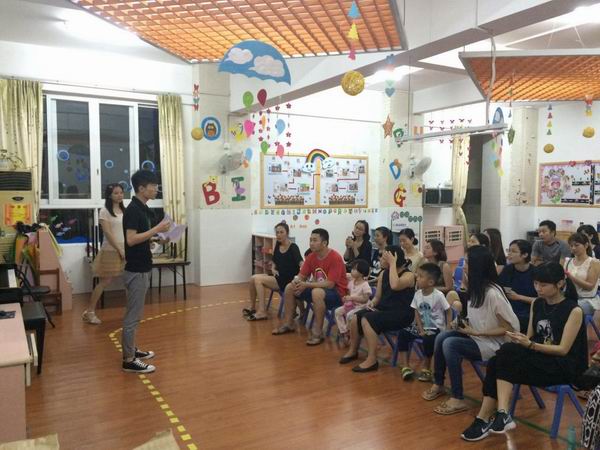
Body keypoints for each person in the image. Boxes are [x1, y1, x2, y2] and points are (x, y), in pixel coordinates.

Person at [460, 263, 587, 441]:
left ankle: (488, 417)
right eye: (536, 284)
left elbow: (563, 349)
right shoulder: (537, 303)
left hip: (562, 366)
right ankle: (497, 414)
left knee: (503, 356)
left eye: (543, 285)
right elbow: (529, 337)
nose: (538, 288)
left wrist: (529, 345)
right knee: (500, 357)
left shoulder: (573, 310)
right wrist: (520, 339)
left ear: (559, 284)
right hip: (540, 359)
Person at [422, 246, 519, 415]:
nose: (463, 266)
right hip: (478, 338)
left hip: (495, 344)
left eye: (467, 262)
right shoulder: (476, 289)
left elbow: (508, 329)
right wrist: (459, 323)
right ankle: (438, 383)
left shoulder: (492, 293)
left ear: (478, 266)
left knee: (451, 344)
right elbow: (479, 318)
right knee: (442, 337)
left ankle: (457, 397)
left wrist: (477, 333)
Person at [121, 170, 170, 374]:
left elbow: (141, 237)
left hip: (142, 266)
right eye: (153, 186)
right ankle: (128, 360)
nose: (156, 189)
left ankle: (132, 350)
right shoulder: (133, 210)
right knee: (132, 316)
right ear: (141, 188)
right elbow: (131, 240)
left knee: (136, 313)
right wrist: (157, 229)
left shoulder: (142, 208)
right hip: (136, 269)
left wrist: (157, 238)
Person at [339, 245, 416, 373]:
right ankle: (353, 351)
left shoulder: (409, 275)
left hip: (401, 314)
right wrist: (372, 303)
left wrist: (392, 264)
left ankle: (372, 359)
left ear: (393, 259)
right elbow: (378, 297)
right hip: (384, 310)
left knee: (367, 319)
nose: (380, 260)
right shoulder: (383, 273)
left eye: (383, 257)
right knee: (356, 317)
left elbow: (395, 285)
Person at [272, 228, 348, 346]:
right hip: (318, 290)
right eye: (310, 240)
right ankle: (288, 324)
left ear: (324, 243)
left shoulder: (335, 257)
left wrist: (307, 284)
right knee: (289, 288)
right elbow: (301, 276)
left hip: (337, 294)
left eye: (315, 240)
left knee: (316, 292)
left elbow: (330, 284)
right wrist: (296, 282)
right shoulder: (311, 257)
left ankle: (318, 332)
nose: (311, 243)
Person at [395, 263, 452, 382]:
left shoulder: (439, 295)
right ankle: (405, 366)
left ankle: (426, 368)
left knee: (428, 339)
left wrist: (447, 328)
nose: (417, 278)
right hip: (421, 327)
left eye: (421, 276)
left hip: (435, 328)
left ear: (430, 282)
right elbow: (416, 312)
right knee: (403, 333)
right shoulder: (417, 294)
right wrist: (420, 329)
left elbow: (448, 310)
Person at [83, 184, 126, 325]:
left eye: (121, 192)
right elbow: (108, 233)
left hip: (126, 248)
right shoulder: (104, 211)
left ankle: (131, 312)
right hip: (111, 250)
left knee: (130, 280)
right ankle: (90, 312)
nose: (119, 195)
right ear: (109, 195)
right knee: (105, 281)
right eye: (116, 193)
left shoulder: (125, 210)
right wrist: (119, 249)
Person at [244, 222, 302, 321]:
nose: (279, 235)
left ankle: (262, 311)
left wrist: (300, 277)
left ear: (287, 233)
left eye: (281, 232)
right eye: (277, 232)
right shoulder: (278, 245)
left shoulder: (293, 247)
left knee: (258, 280)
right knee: (252, 278)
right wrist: (273, 269)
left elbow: (301, 263)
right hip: (278, 277)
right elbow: (274, 261)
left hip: (287, 280)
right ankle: (253, 307)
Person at [497, 240, 538, 333]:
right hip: (508, 311)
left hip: (528, 313)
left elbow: (541, 300)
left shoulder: (536, 273)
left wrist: (518, 297)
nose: (509, 254)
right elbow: (500, 288)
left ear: (525, 254)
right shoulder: (507, 270)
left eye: (513, 251)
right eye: (509, 250)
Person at [334, 259, 372, 345]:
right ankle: (344, 331)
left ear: (361, 273)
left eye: (354, 269)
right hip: (352, 305)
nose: (352, 270)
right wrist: (346, 298)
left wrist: (351, 298)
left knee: (349, 315)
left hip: (362, 307)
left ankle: (348, 332)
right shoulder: (351, 282)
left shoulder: (365, 284)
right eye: (352, 268)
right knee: (337, 312)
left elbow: (365, 299)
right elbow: (349, 293)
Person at [564, 232, 600, 316]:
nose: (573, 248)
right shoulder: (568, 261)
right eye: (571, 246)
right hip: (569, 297)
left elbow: (589, 286)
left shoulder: (594, 262)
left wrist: (570, 276)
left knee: (568, 309)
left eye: (576, 245)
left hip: (587, 300)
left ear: (586, 245)